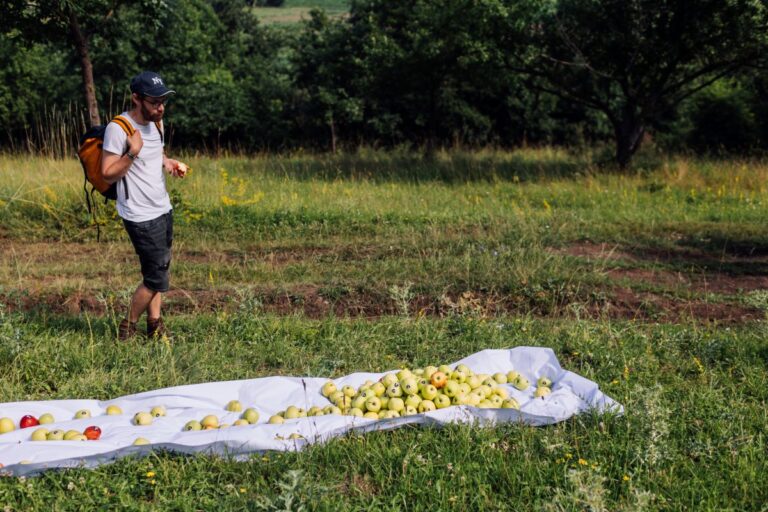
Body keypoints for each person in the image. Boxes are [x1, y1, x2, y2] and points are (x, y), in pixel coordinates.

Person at [101, 71, 188, 340]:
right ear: (136, 98)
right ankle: (127, 329)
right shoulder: (119, 129)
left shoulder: (157, 124)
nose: (160, 107)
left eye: (163, 101)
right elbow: (107, 172)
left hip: (162, 207)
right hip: (139, 214)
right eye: (154, 102)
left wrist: (169, 162)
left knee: (157, 271)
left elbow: (157, 154)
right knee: (156, 278)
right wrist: (131, 153)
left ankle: (155, 326)